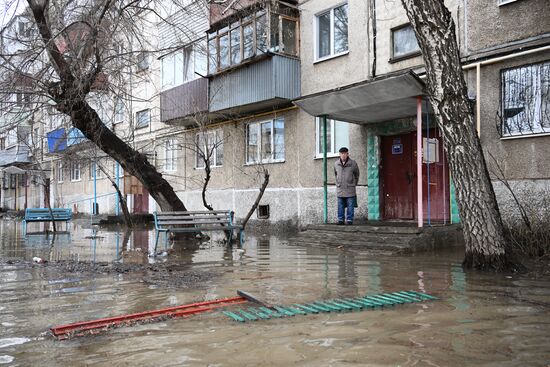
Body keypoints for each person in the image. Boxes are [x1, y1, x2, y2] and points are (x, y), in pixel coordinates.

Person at [334, 147, 360, 225]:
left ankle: (349, 220)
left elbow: (357, 174)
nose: (343, 155)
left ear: (347, 154)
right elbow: (335, 174)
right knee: (340, 205)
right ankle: (341, 220)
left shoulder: (353, 163)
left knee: (350, 205)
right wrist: (338, 182)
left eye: (345, 153)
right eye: (341, 153)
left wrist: (353, 183)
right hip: (340, 188)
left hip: (350, 188)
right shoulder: (336, 164)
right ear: (339, 154)